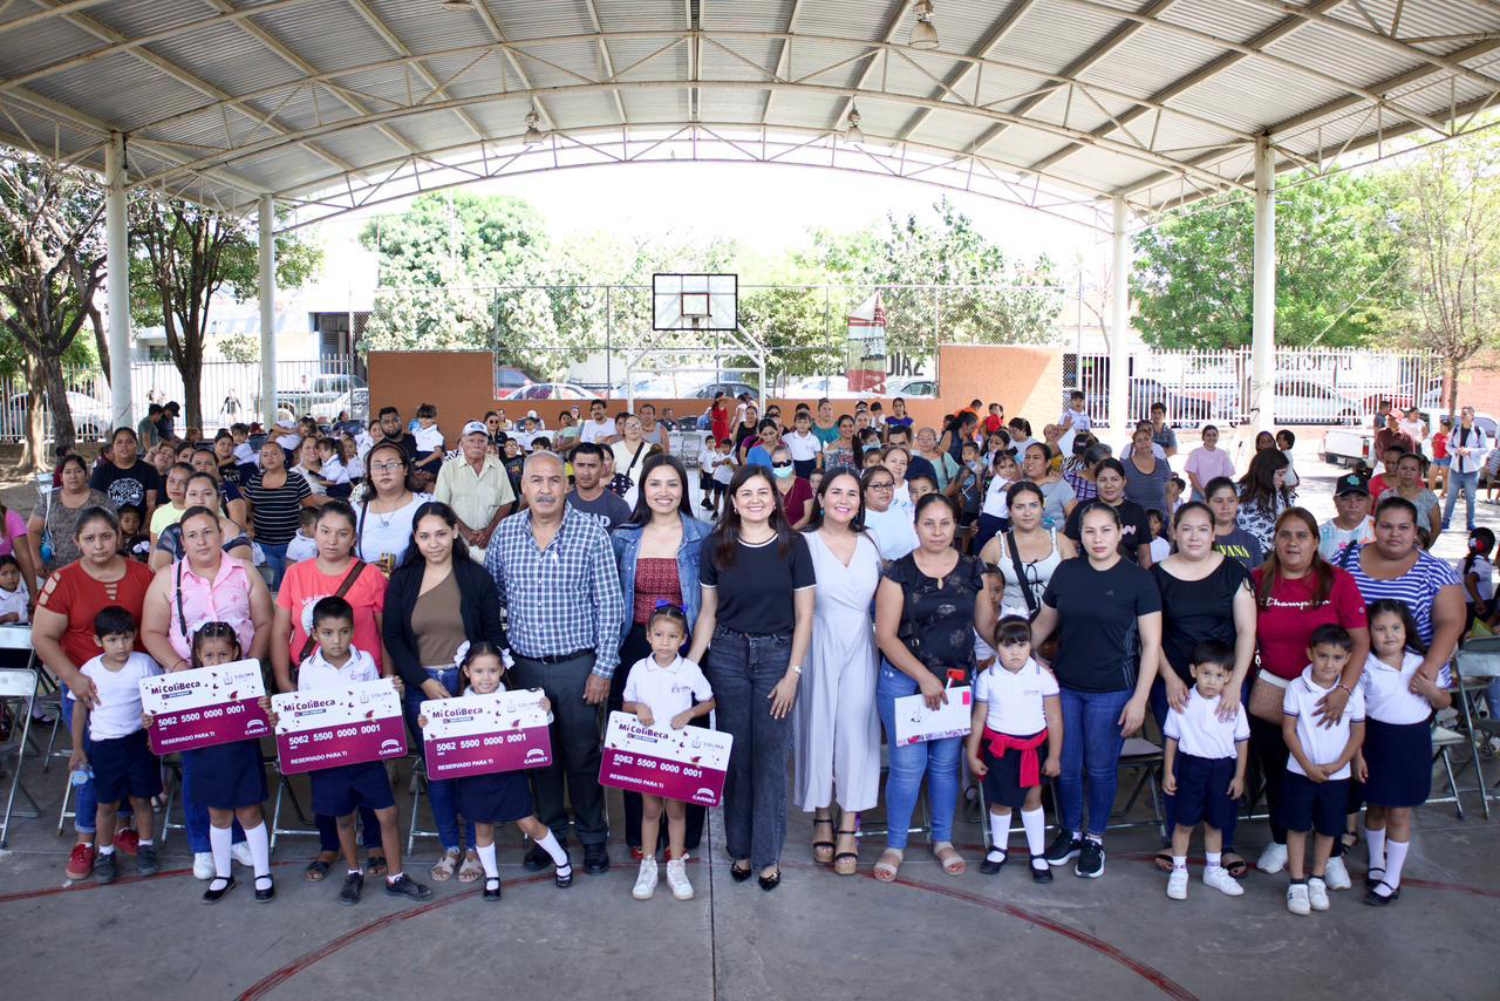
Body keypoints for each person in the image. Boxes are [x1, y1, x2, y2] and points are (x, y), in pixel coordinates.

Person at [487, 451, 624, 876]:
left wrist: (603, 668)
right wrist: (501, 663)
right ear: (523, 487)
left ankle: (593, 838)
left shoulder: (591, 532)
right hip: (525, 670)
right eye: (536, 481)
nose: (545, 489)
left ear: (567, 486)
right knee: (538, 758)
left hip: (578, 668)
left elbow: (610, 605)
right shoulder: (506, 533)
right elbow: (493, 598)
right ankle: (548, 839)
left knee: (582, 755)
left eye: (553, 481)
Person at [687, 465, 816, 890]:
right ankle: (740, 849)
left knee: (771, 758)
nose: (755, 500)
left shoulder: (793, 546)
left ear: (775, 500)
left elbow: (805, 616)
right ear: (734, 501)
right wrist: (689, 667)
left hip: (777, 656)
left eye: (763, 493)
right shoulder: (716, 545)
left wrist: (793, 673)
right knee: (737, 757)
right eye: (746, 493)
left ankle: (767, 855)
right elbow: (708, 613)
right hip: (727, 655)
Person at [138, 508, 273, 884]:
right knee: (198, 766)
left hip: (236, 685)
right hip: (190, 687)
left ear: (220, 535)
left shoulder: (244, 571)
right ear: (182, 541)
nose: (201, 541)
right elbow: (151, 631)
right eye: (192, 535)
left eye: (208, 532)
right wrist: (179, 667)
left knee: (239, 761)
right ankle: (203, 844)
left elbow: (264, 621)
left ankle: (238, 838)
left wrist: (250, 666)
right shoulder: (167, 577)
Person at [1031, 502, 1162, 879]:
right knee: (1067, 766)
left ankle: (1095, 838)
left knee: (1101, 769)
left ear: (1120, 532)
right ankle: (1071, 832)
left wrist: (1139, 699)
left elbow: (1152, 644)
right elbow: (1043, 623)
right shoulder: (1067, 572)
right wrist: (1026, 656)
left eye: (1106, 530)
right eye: (1089, 531)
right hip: (1066, 688)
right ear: (1080, 536)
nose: (1098, 538)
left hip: (1113, 690)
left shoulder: (1138, 580)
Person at [271, 595, 430, 904]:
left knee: (388, 814)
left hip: (366, 756)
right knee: (343, 818)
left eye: (344, 632)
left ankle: (396, 876)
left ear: (353, 630)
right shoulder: (308, 670)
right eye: (328, 633)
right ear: (314, 634)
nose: (337, 640)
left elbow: (378, 704)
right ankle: (353, 873)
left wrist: (391, 691)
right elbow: (303, 715)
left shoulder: (365, 662)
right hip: (330, 760)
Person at [871, 494, 995, 882]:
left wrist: (1023, 651)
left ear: (955, 525)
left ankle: (942, 839)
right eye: (929, 523)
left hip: (956, 682)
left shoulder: (973, 570)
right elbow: (885, 636)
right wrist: (923, 677)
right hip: (906, 682)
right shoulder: (899, 572)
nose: (937, 531)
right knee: (908, 768)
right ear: (916, 526)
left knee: (945, 766)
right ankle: (895, 844)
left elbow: (986, 627)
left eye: (945, 523)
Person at [382, 501, 507, 883]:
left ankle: (475, 848)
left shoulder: (475, 577)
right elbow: (393, 636)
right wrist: (421, 681)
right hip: (423, 688)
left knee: (473, 770)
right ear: (415, 539)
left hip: (469, 686)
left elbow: (492, 635)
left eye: (440, 533)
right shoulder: (403, 579)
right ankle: (451, 846)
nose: (433, 543)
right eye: (424, 536)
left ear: (455, 532)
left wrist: (482, 683)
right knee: (438, 772)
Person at [271, 501, 393, 880]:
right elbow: (280, 631)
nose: (332, 540)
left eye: (342, 533)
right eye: (325, 531)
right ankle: (329, 845)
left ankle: (374, 842)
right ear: (314, 532)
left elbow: (386, 634)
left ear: (354, 537)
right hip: (312, 687)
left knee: (367, 766)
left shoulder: (371, 576)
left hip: (363, 689)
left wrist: (389, 686)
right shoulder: (296, 575)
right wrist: (285, 684)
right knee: (323, 769)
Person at [31, 507, 154, 880]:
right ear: (76, 542)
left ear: (118, 536)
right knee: (91, 767)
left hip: (133, 690)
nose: (98, 545)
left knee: (132, 763)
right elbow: (42, 636)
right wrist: (73, 679)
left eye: (106, 536)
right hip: (87, 692)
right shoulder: (63, 580)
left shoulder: (142, 575)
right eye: (89, 538)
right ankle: (86, 840)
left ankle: (124, 830)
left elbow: (154, 628)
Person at [1249, 508, 1369, 881]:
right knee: (1279, 773)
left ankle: (1330, 855)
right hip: (1276, 692)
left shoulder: (1338, 581)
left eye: (1302, 535)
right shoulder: (1258, 580)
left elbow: (1360, 642)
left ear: (1316, 541)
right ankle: (1280, 839)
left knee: (1329, 776)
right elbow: (1243, 635)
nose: (1293, 542)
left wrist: (1344, 691)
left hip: (1327, 697)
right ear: (1275, 540)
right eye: (1285, 535)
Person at [610, 454, 713, 859]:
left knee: (687, 741)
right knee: (639, 739)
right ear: (643, 489)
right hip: (636, 648)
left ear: (683, 489)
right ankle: (642, 835)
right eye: (655, 483)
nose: (664, 492)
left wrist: (692, 661)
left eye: (672, 484)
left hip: (688, 649)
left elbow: (710, 605)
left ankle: (684, 839)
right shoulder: (624, 536)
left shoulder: (702, 535)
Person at [1150, 501, 1258, 876]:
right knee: (1180, 759)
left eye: (1202, 529)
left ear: (1214, 533)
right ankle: (1175, 837)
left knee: (1223, 760)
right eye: (1186, 528)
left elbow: (1246, 631)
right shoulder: (1156, 575)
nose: (1194, 536)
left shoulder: (1234, 572)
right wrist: (1169, 676)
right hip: (1176, 684)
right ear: (1173, 532)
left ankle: (1224, 843)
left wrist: (1236, 682)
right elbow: (1151, 637)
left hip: (1225, 683)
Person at [416, 643, 571, 902]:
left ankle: (562, 860)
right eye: (478, 671)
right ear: (466, 671)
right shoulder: (454, 706)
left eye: (491, 670)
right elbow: (441, 740)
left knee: (529, 823)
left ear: (501, 670)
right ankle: (492, 877)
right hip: (475, 778)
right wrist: (427, 724)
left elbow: (537, 732)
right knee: (482, 828)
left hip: (508, 775)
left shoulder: (517, 700)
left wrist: (544, 712)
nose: (485, 677)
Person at [794, 468, 881, 876]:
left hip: (861, 644)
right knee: (818, 728)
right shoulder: (802, 543)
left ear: (860, 502)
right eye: (836, 492)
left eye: (852, 494)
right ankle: (821, 816)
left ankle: (849, 823)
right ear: (821, 497)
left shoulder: (871, 542)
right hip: (816, 642)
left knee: (855, 732)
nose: (844, 500)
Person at [1352, 600, 1445, 908]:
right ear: (1368, 633)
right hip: (1376, 742)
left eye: (1395, 627)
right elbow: (1356, 715)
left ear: (1407, 630)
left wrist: (1431, 691)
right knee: (1375, 806)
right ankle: (1376, 862)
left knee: (1400, 812)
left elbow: (1444, 702)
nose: (1388, 635)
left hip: (1412, 745)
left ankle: (1392, 878)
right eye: (1380, 629)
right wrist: (1357, 755)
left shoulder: (1422, 663)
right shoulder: (1364, 666)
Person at [621, 605, 715, 901]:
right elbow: (625, 704)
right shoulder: (639, 669)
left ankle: (676, 865)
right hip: (648, 751)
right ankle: (648, 865)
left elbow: (709, 701)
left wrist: (689, 713)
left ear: (683, 640)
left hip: (677, 753)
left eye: (672, 636)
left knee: (676, 811)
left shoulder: (690, 670)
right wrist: (639, 707)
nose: (665, 642)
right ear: (648, 636)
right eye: (659, 635)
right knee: (650, 810)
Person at [65, 606, 161, 884]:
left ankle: (146, 847)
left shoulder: (144, 664)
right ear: (98, 641)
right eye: (113, 640)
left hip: (138, 743)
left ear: (134, 635)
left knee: (141, 799)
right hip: (104, 746)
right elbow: (80, 710)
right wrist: (78, 748)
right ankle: (105, 852)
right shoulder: (89, 670)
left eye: (126, 638)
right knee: (106, 804)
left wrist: (153, 728)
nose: (121, 646)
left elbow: (156, 700)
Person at [965, 615, 1061, 882]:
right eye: (1008, 645)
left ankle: (1038, 854)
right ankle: (999, 849)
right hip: (999, 750)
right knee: (1000, 802)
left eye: (1022, 644)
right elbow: (978, 719)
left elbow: (1054, 718)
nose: (1015, 652)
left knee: (1032, 800)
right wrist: (971, 754)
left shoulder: (1043, 677)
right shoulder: (987, 678)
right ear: (997, 647)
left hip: (1032, 750)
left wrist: (1054, 756)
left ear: (1031, 645)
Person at [1333, 496, 1465, 683]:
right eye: (1386, 526)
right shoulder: (1344, 559)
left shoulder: (1436, 570)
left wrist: (1432, 664)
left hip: (1413, 680)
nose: (1395, 533)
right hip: (1349, 677)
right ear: (1374, 527)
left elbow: (1450, 622)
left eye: (1403, 527)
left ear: (1415, 531)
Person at [1281, 624, 1365, 917]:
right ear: (1310, 654)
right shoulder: (1296, 687)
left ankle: (1317, 878)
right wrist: (1307, 766)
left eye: (1337, 658)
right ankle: (1297, 883)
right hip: (1299, 773)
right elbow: (1289, 731)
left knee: (1329, 828)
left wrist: (1340, 764)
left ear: (1348, 659)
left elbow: (1357, 732)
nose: (1329, 664)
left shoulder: (1353, 692)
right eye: (1323, 656)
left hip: (1336, 776)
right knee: (1298, 827)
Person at [1160, 639, 1249, 901]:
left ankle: (1213, 869)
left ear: (1229, 677)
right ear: (1193, 671)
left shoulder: (1233, 705)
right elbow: (1171, 738)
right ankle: (1179, 871)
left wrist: (1239, 776)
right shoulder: (1183, 702)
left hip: (1222, 769)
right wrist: (1168, 771)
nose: (1211, 681)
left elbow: (1242, 741)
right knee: (1184, 822)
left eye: (1219, 675)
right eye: (1206, 673)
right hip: (1191, 768)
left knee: (1215, 823)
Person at [434, 421, 515, 562]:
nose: (476, 445)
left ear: (487, 443)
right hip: (458, 544)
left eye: (481, 441)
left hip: (490, 543)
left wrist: (489, 531)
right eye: (471, 440)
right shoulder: (448, 468)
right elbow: (442, 505)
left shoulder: (497, 465)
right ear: (462, 442)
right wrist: (465, 531)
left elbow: (506, 502)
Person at [980, 481, 1062, 620]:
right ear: (1010, 510)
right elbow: (979, 591)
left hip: (1055, 624)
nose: (1027, 513)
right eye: (1019, 507)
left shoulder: (1060, 542)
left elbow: (1073, 588)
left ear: (1042, 507)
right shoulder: (995, 546)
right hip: (1008, 626)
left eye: (1034, 505)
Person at [243, 439, 313, 589]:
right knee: (272, 588)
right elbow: (246, 510)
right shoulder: (254, 481)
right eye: (265, 455)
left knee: (293, 586)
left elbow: (310, 511)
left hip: (291, 545)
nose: (270, 458)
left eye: (274, 453)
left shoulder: (296, 480)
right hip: (262, 545)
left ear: (283, 456)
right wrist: (251, 526)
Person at [27, 453, 110, 579]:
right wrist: (35, 559)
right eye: (68, 472)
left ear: (86, 474)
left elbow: (113, 531)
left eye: (78, 471)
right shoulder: (48, 499)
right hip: (55, 571)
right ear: (61, 476)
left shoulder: (100, 499)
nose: (73, 476)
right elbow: (33, 531)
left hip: (95, 570)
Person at [1059, 458, 1153, 566]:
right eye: (1103, 480)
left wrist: (1147, 576)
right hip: (1088, 572)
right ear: (1096, 481)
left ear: (1124, 481)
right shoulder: (1083, 509)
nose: (1109, 485)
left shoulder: (1136, 511)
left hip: (1127, 573)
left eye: (1115, 479)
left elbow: (1145, 556)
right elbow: (1069, 547)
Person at [354, 442, 431, 571]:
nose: (384, 472)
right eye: (377, 466)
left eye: (392, 464)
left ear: (405, 469)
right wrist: (365, 570)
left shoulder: (425, 506)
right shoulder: (356, 511)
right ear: (370, 473)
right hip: (369, 582)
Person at [90, 427, 162, 523]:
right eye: (119, 442)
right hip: (109, 526)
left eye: (129, 442)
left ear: (137, 445)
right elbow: (96, 504)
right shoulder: (100, 471)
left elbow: (151, 505)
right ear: (113, 447)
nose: (124, 445)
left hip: (141, 527)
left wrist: (145, 528)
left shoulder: (150, 471)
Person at [1236, 448, 1295, 555]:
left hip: (1274, 556)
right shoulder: (1236, 493)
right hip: (1242, 555)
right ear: (1266, 473)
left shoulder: (1285, 496)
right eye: (1280, 474)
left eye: (1284, 474)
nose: (1283, 479)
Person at [567, 442, 632, 531]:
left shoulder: (619, 507)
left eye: (592, 466)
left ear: (601, 467)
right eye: (580, 465)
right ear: (572, 466)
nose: (586, 472)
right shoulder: (562, 504)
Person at [1444, 406, 1488, 532]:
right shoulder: (1456, 429)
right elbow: (1448, 446)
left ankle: (1470, 523)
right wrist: (1455, 451)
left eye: (1464, 414)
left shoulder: (1479, 431)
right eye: (1461, 414)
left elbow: (1485, 449)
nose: (1462, 416)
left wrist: (1470, 451)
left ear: (1472, 416)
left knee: (1470, 499)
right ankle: (1445, 522)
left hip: (1471, 471)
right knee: (1451, 497)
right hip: (1455, 469)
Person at [860, 464, 917, 561]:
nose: (885, 491)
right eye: (877, 486)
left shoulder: (901, 509)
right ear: (864, 491)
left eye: (888, 485)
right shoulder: (861, 520)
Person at [1204, 476, 1262, 569]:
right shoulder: (1198, 540)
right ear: (1207, 504)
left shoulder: (1251, 541)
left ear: (1237, 502)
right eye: (1219, 501)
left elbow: (1258, 576)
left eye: (1231, 501)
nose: (1225, 506)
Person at [1318, 474, 1375, 561]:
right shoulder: (1321, 534)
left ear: (1368, 501)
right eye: (1345, 499)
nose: (1353, 505)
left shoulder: (1379, 528)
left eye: (1359, 499)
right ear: (1335, 501)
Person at [1022, 442, 1077, 531]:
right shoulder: (1020, 485)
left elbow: (1074, 517)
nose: (1030, 461)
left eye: (1036, 457)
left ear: (1047, 463)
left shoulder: (1060, 485)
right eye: (1027, 457)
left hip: (1054, 537)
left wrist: (1061, 536)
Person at [1389, 452, 1441, 546]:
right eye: (1404, 468)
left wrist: (1425, 548)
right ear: (1397, 470)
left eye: (1413, 469)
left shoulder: (1429, 497)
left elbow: (1436, 529)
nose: (1408, 473)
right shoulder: (1387, 496)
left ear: (1419, 472)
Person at [974, 450, 1020, 553]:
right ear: (996, 468)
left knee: (998, 549)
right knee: (984, 548)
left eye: (1011, 466)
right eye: (1002, 467)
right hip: (990, 520)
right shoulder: (998, 480)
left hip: (1001, 521)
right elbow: (1017, 489)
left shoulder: (1010, 482)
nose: (1008, 470)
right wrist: (1044, 480)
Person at [1122, 425, 1170, 517]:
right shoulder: (1125, 465)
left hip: (1160, 519)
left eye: (1146, 439)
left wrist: (1171, 516)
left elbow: (1168, 493)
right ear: (1134, 445)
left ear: (1151, 442)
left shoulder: (1161, 464)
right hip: (1134, 518)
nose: (1143, 443)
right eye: (1139, 440)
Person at [769, 444, 814, 530]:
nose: (782, 467)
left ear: (792, 461)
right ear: (772, 465)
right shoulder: (769, 486)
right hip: (773, 533)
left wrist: (791, 532)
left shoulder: (804, 484)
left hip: (799, 533)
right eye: (777, 464)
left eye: (786, 462)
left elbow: (808, 515)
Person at [147, 463, 194, 547]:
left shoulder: (201, 512)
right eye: (171, 481)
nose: (175, 487)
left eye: (183, 482)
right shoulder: (159, 513)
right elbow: (154, 550)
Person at [1185, 425, 1235, 503]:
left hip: (1216, 493)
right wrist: (1203, 493)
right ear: (1203, 437)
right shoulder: (1196, 453)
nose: (1211, 438)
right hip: (1198, 492)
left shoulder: (1222, 453)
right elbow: (1191, 475)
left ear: (1218, 437)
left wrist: (1218, 493)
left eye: (1214, 435)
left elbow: (1226, 476)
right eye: (1208, 435)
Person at [1462, 528, 1497, 635]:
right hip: (1480, 609)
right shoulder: (1484, 566)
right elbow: (1469, 580)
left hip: (1463, 606)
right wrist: (1479, 602)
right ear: (1491, 549)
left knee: (1464, 636)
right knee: (1478, 636)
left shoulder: (1462, 562)